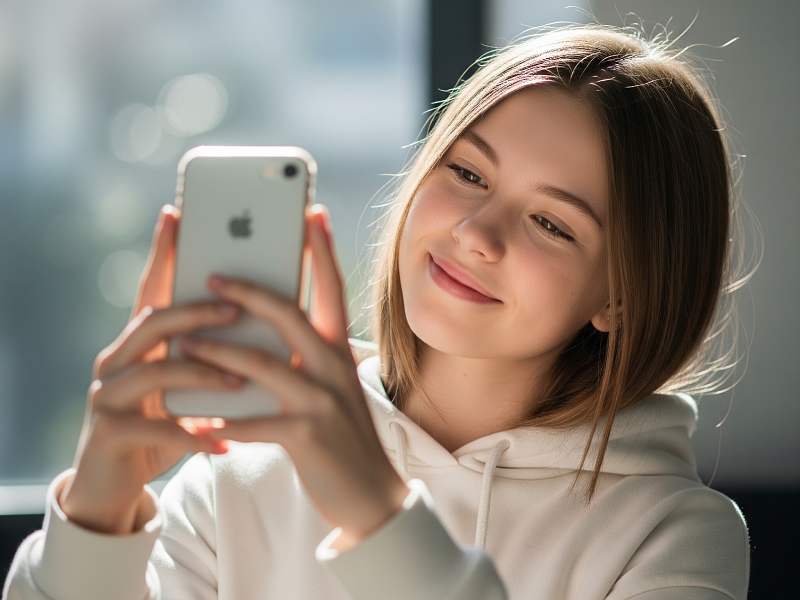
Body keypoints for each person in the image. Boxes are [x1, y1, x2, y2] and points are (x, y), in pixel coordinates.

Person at [4, 25, 752, 600]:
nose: (473, 234)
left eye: (552, 223)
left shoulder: (675, 536)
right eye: (465, 172)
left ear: (622, 295)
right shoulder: (232, 484)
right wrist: (96, 517)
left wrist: (376, 512)